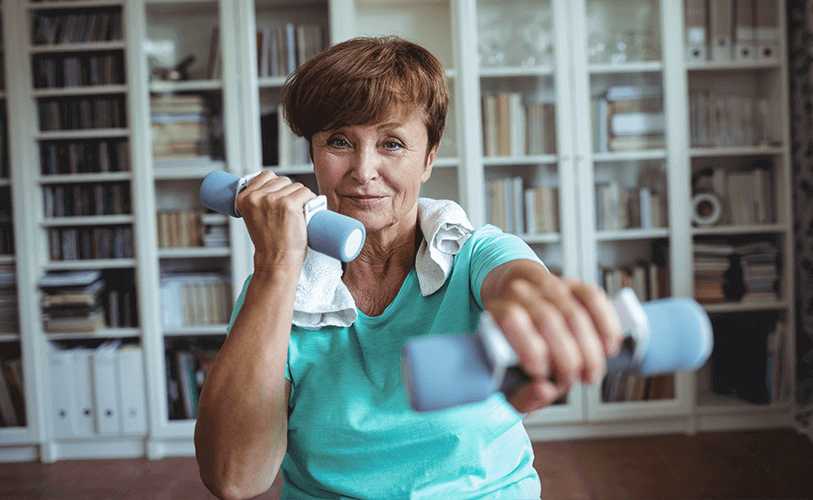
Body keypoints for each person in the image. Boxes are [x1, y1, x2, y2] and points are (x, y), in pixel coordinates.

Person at [194, 36, 622, 500]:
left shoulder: (477, 255)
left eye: (392, 143)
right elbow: (234, 477)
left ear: (428, 158)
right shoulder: (276, 289)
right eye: (339, 141)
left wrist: (536, 303)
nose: (363, 170)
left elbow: (517, 281)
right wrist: (276, 267)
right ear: (313, 154)